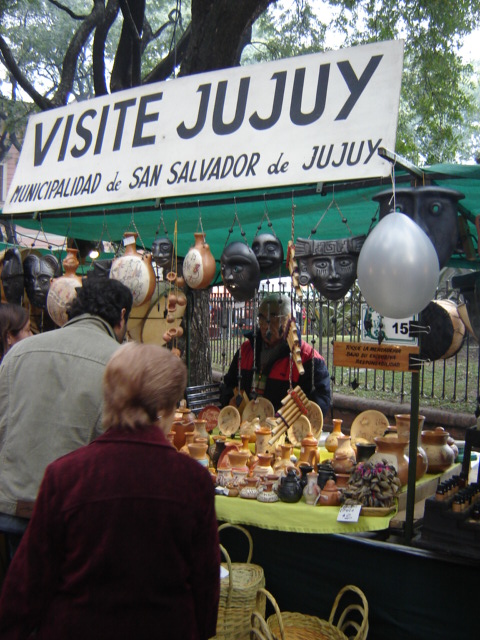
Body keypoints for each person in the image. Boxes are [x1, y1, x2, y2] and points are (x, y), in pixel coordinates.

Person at [0, 342, 220, 640]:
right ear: (166, 409)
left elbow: (26, 586)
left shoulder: (64, 477)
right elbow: (206, 590)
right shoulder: (193, 482)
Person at [0, 277, 133, 555]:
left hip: (14, 508)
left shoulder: (18, 353)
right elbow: (123, 451)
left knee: (21, 593)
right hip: (76, 515)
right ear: (121, 316)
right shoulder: (120, 362)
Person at [220, 293, 331, 414]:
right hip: (246, 428)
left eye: (272, 319)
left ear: (288, 321)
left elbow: (318, 407)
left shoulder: (308, 359)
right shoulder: (246, 350)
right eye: (261, 318)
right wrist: (230, 400)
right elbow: (228, 385)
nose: (264, 325)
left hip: (284, 430)